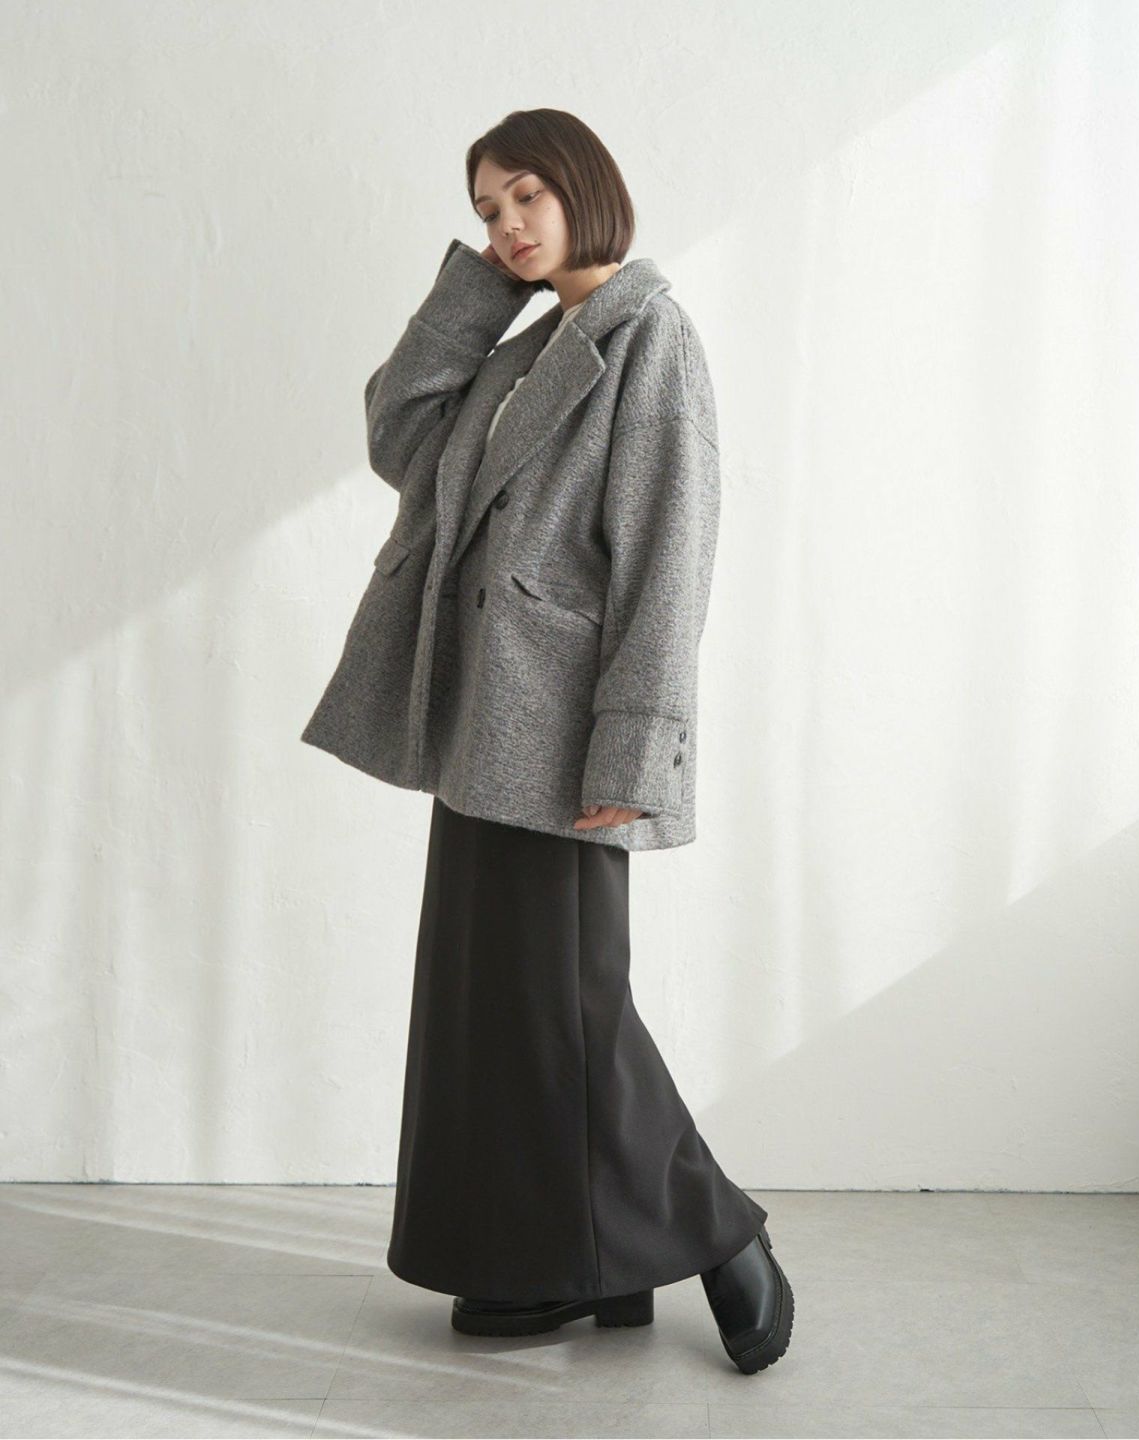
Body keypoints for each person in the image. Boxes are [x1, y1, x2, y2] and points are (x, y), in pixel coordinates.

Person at [299, 108, 793, 1375]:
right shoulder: (525, 345)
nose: (509, 225)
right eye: (486, 211)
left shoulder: (651, 338)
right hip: (486, 725)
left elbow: (670, 559)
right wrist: (474, 295)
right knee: (496, 1010)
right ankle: (579, 1266)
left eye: (526, 196)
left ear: (583, 187)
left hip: (567, 738)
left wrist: (635, 753)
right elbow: (400, 437)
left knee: (570, 1011)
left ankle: (720, 1233)